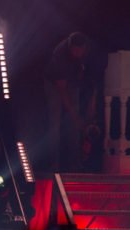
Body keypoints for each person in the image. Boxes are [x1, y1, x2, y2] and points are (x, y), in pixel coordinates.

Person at [44, 32, 101, 172]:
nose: (77, 53)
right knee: (55, 123)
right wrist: (75, 117)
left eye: (80, 51)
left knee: (74, 127)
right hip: (55, 83)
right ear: (69, 47)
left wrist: (91, 105)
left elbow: (94, 82)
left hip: (73, 82)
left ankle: (74, 164)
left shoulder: (90, 53)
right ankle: (53, 164)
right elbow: (62, 90)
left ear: (85, 48)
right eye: (74, 50)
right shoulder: (60, 55)